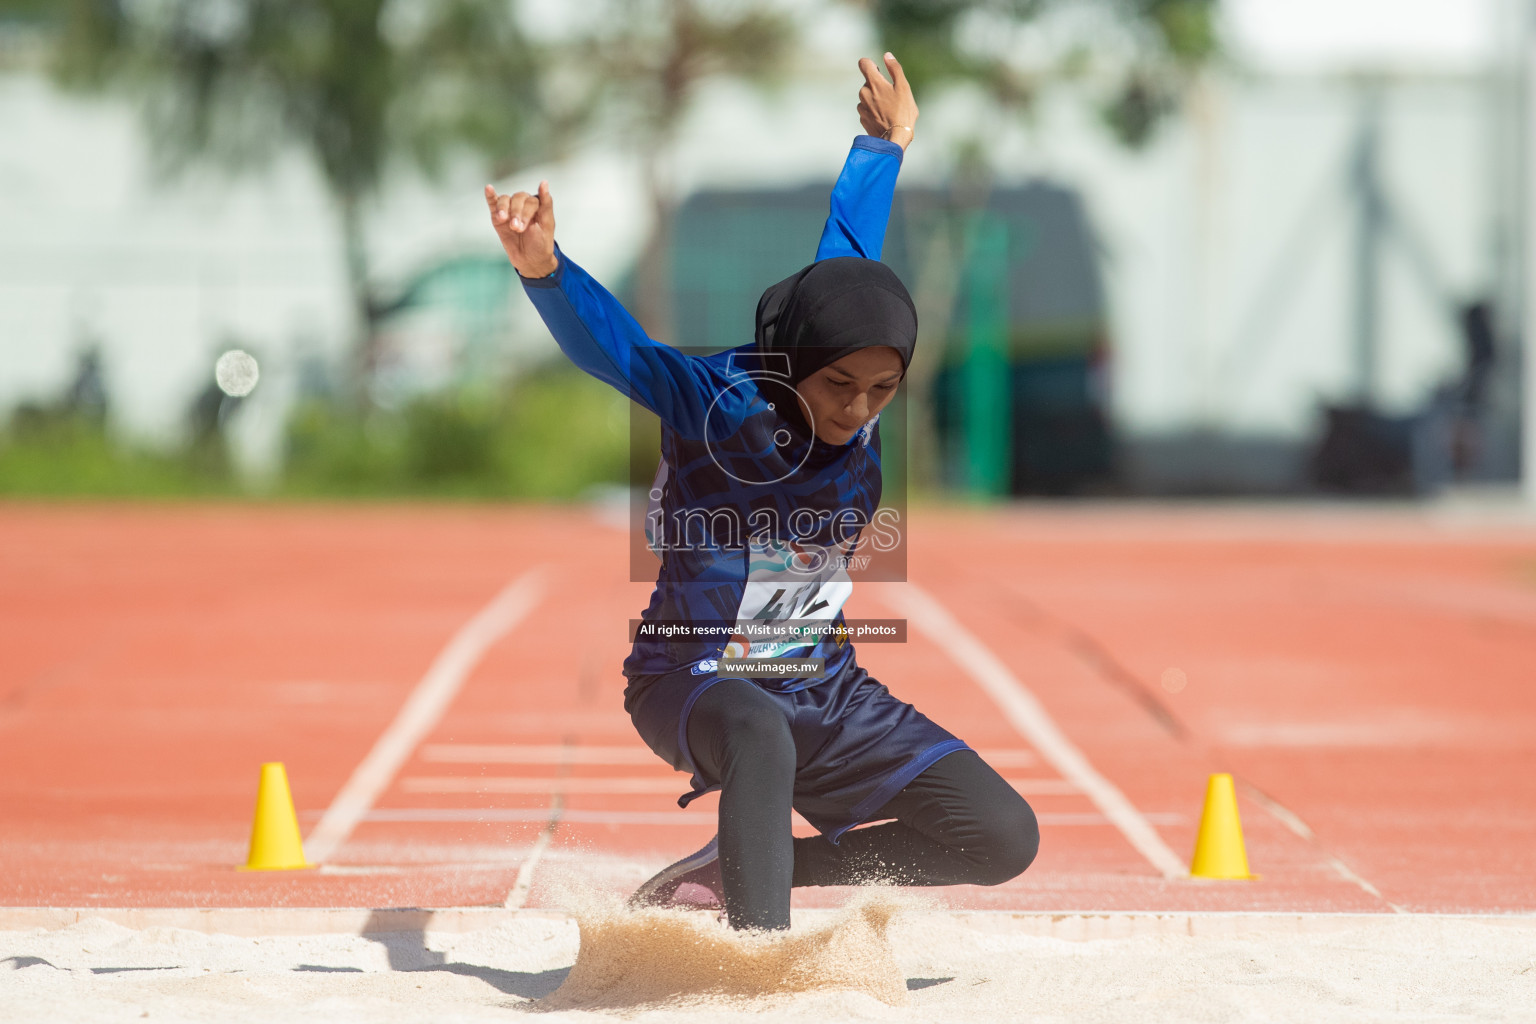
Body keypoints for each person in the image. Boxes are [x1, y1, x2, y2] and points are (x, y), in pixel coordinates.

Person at [485, 53, 1038, 932]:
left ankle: (746, 865)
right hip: (694, 679)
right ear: (797, 363)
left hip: (825, 687)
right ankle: (757, 956)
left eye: (881, 391)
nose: (857, 410)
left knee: (1003, 836)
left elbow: (845, 266)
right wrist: (548, 273)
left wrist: (883, 148)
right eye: (837, 388)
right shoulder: (722, 402)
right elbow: (619, 352)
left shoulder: (853, 371)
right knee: (757, 731)